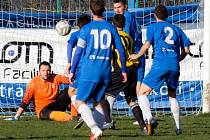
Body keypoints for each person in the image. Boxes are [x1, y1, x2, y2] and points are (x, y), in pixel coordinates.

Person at [128, 5, 191, 135]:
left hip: (160, 65)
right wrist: (177, 59)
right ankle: (178, 127)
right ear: (167, 15)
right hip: (174, 66)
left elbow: (146, 46)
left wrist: (136, 55)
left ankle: (149, 118)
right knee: (172, 95)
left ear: (155, 15)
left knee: (141, 93)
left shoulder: (152, 27)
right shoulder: (177, 29)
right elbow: (187, 50)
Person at [69, 0, 127, 139]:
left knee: (79, 101)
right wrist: (123, 69)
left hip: (90, 70)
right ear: (104, 11)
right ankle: (95, 134)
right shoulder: (111, 27)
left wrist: (72, 69)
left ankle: (95, 129)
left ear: (91, 11)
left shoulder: (86, 29)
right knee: (98, 102)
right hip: (106, 71)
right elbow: (121, 49)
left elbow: (78, 52)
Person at [102, 0, 149, 128]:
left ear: (125, 6)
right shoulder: (130, 17)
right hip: (135, 61)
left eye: (119, 7)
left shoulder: (126, 18)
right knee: (133, 96)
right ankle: (145, 121)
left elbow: (121, 45)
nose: (117, 10)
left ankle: (108, 120)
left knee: (106, 92)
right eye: (115, 8)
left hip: (130, 61)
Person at [5, 61, 72, 122]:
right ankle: (72, 118)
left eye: (48, 70)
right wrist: (17, 116)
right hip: (43, 110)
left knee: (71, 89)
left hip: (56, 105)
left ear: (50, 71)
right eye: (43, 70)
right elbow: (25, 101)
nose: (46, 73)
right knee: (46, 113)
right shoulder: (33, 83)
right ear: (39, 71)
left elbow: (72, 81)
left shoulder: (55, 77)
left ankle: (77, 113)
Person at [65, 14, 91, 127]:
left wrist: (69, 62)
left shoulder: (76, 34)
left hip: (81, 68)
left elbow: (70, 45)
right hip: (95, 66)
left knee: (72, 92)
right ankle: (106, 118)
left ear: (77, 25)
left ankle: (86, 114)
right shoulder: (93, 34)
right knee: (97, 96)